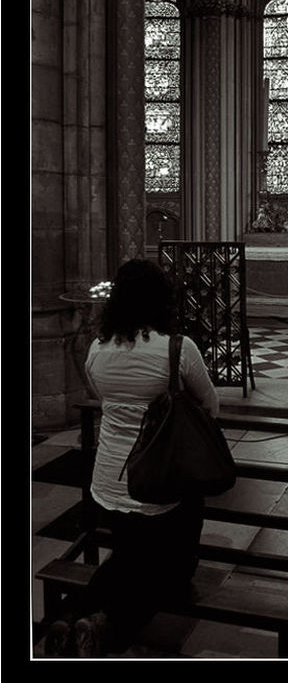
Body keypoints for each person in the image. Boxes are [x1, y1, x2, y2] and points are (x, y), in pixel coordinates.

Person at [45, 258, 219, 657]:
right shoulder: (178, 349)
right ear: (163, 299)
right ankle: (103, 629)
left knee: (128, 559)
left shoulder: (96, 350)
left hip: (108, 484)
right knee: (166, 578)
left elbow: (103, 397)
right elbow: (210, 408)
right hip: (161, 485)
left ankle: (72, 617)